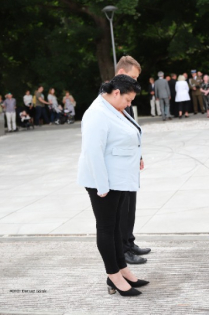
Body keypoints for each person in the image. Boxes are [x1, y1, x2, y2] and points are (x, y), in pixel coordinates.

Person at [77, 75, 149, 297]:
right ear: (116, 92)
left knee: (117, 226)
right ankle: (113, 275)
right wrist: (102, 186)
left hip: (117, 179)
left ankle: (122, 269)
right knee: (107, 228)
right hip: (104, 181)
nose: (129, 105)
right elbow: (93, 151)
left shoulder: (112, 108)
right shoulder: (96, 113)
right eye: (128, 100)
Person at [113, 56, 150, 266]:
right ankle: (124, 249)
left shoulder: (126, 94)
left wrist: (139, 155)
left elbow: (131, 127)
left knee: (131, 205)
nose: (135, 82)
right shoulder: (111, 96)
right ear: (121, 74)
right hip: (119, 162)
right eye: (133, 77)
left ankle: (129, 241)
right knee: (122, 208)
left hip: (130, 159)